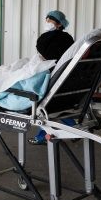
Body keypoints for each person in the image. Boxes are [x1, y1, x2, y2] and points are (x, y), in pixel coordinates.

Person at [28, 10, 75, 145]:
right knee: (50, 106)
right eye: (46, 19)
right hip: (61, 78)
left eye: (50, 20)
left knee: (43, 104)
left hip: (53, 77)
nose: (47, 22)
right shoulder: (67, 38)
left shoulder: (59, 38)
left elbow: (46, 55)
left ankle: (68, 127)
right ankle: (70, 126)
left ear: (59, 24)